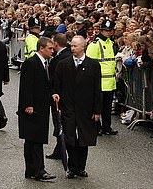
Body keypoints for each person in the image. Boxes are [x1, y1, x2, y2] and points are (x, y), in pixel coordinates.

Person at [53, 35, 102, 179]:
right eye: (71, 46)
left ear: (83, 47)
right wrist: (59, 105)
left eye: (75, 46)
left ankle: (81, 167)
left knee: (84, 139)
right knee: (69, 137)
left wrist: (97, 110)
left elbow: (97, 89)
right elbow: (57, 86)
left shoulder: (93, 65)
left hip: (86, 108)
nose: (72, 48)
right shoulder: (63, 64)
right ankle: (72, 167)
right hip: (68, 106)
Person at [18, 36, 56, 181]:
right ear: (41, 48)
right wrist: (28, 104)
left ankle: (32, 170)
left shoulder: (46, 63)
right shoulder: (31, 63)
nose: (52, 51)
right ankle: (38, 170)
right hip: (33, 108)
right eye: (50, 48)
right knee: (34, 140)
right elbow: (26, 86)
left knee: (34, 140)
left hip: (42, 106)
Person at [85, 19, 118, 135]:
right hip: (99, 82)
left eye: (110, 30)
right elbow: (89, 63)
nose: (108, 33)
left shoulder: (110, 43)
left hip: (109, 82)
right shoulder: (95, 44)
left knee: (107, 108)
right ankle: (96, 127)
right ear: (101, 31)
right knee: (97, 107)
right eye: (106, 30)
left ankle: (107, 127)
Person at [46, 32, 70, 160]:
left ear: (56, 43)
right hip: (62, 95)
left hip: (59, 96)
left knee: (59, 123)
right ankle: (59, 148)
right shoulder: (66, 56)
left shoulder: (60, 59)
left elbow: (54, 79)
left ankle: (61, 149)